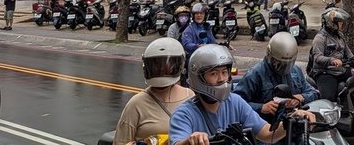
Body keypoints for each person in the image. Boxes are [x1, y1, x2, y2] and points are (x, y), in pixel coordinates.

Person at [170, 45, 313, 145]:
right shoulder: (183, 114)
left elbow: (268, 134)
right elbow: (178, 142)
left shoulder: (234, 102)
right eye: (213, 73)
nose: (221, 79)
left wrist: (292, 121)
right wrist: (191, 140)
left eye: (224, 72)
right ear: (198, 77)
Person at [115, 38, 195, 145]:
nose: (161, 70)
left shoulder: (189, 96)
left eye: (167, 65)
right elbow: (121, 141)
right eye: (156, 65)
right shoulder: (136, 104)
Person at [238, 33, 319, 120]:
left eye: (288, 64)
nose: (284, 68)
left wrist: (301, 98)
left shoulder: (296, 71)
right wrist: (261, 107)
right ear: (270, 56)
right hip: (266, 126)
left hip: (293, 123)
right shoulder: (255, 74)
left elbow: (315, 93)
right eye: (278, 64)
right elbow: (236, 103)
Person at [308, 7, 353, 101]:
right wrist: (332, 60)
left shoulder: (340, 36)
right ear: (331, 22)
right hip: (325, 72)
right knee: (328, 99)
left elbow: (348, 53)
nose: (342, 24)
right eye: (339, 22)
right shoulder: (320, 38)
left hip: (340, 70)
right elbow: (318, 57)